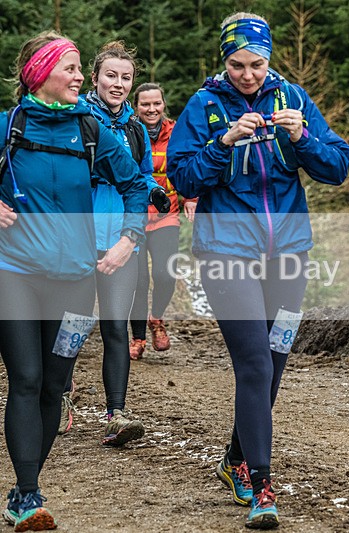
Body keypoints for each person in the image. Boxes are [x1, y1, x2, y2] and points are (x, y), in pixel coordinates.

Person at [168, 12, 349, 529]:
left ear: (270, 59)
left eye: (257, 63)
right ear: (223, 61)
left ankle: (234, 461)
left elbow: (337, 168)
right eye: (237, 64)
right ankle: (261, 489)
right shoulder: (204, 106)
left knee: (273, 363)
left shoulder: (293, 99)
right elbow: (182, 178)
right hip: (226, 252)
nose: (247, 74)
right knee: (253, 363)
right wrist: (222, 144)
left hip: (290, 253)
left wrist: (303, 140)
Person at [0, 31, 149, 531]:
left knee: (53, 386)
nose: (81, 76)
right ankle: (29, 494)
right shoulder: (8, 127)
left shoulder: (91, 130)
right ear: (41, 73)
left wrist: (129, 238)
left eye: (83, 68)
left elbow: (135, 183)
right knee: (25, 379)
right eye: (72, 67)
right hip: (14, 273)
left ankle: (24, 488)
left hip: (76, 280)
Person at [62, 40, 169, 446]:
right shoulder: (76, 119)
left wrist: (153, 190)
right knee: (72, 323)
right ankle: (58, 394)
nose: (119, 84)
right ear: (94, 78)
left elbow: (140, 175)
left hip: (124, 242)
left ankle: (117, 413)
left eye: (126, 78)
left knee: (115, 329)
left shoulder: (136, 129)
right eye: (111, 75)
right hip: (78, 238)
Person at [128, 82, 197, 360]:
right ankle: (139, 338)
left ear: (163, 104)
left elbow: (186, 165)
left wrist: (190, 197)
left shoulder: (177, 131)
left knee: (165, 274)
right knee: (138, 280)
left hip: (167, 214)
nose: (151, 109)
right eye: (145, 104)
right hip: (134, 214)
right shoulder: (128, 131)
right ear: (137, 106)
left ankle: (156, 319)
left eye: (156, 103)